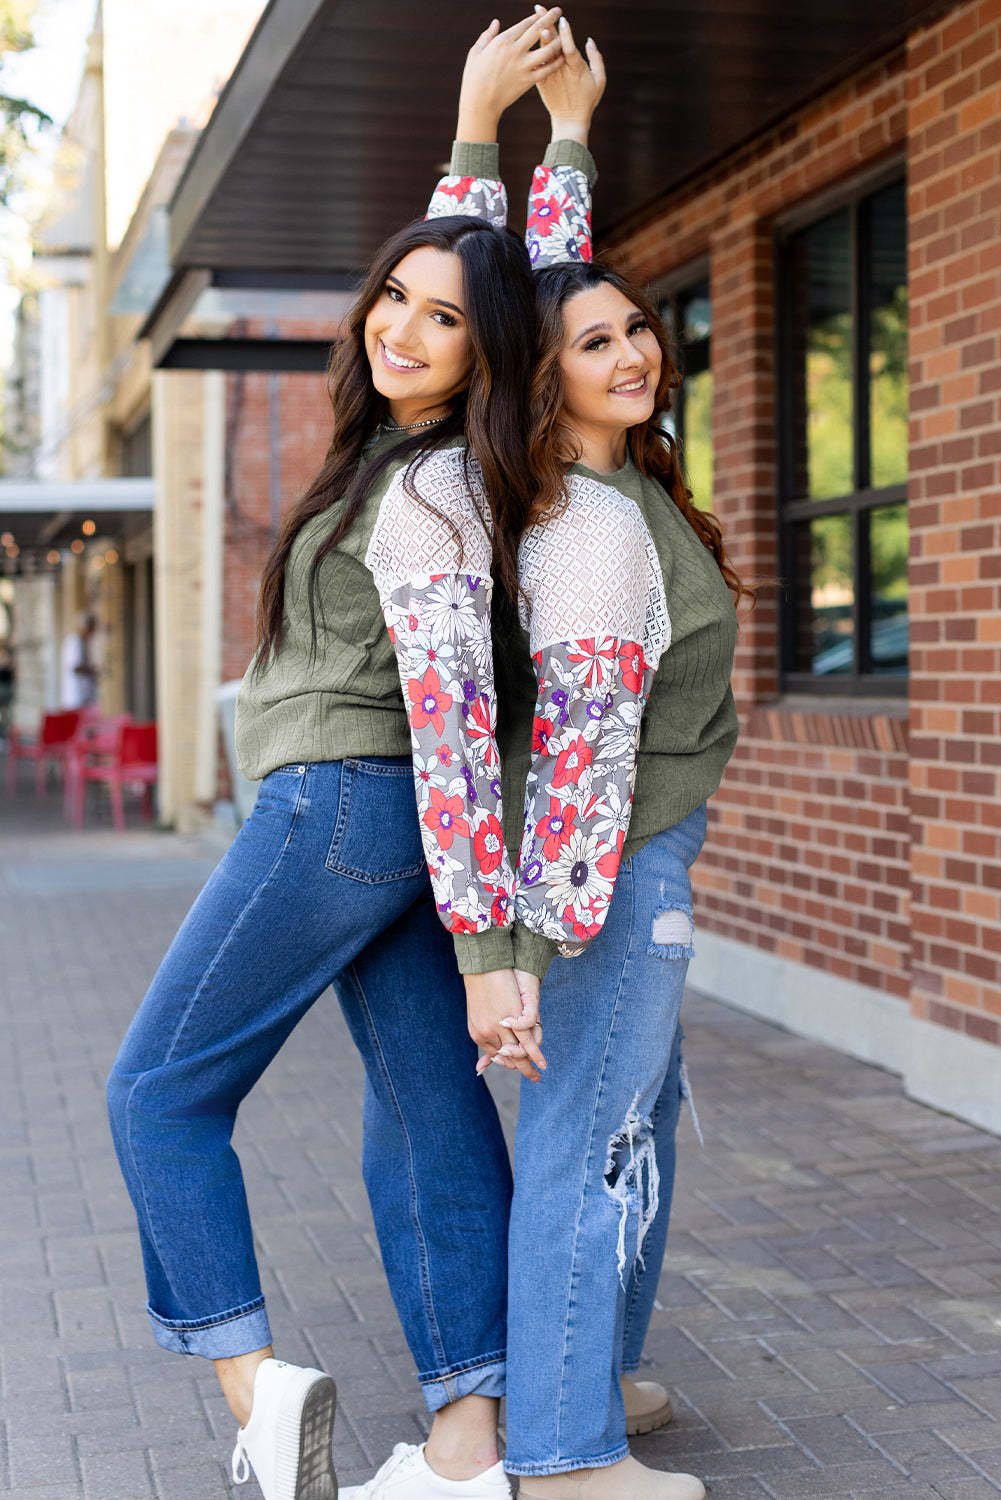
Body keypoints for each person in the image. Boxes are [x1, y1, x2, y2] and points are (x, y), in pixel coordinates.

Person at [105, 17, 572, 1500]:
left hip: (336, 814)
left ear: (487, 353)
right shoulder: (419, 456)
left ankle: (258, 1396)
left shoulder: (428, 493)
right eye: (393, 298)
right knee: (430, 1115)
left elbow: (452, 722)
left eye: (443, 322)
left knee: (157, 1093)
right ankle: (470, 1439)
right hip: (385, 828)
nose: (402, 328)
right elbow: (489, 275)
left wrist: (488, 946)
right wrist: (496, 131)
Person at [345, 17, 753, 1500]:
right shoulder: (576, 526)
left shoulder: (612, 480)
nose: (631, 349)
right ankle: (569, 1455)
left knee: (630, 1131)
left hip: (638, 855)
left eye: (639, 328)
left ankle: (588, 1376)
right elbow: (571, 764)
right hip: (607, 871)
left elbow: (547, 290)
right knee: (593, 1139)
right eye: (595, 345)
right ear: (540, 376)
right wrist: (512, 951)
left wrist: (562, 137)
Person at [60, 611, 98, 709]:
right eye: (92, 628)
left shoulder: (82, 642)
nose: (93, 632)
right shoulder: (76, 642)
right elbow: (76, 667)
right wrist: (93, 671)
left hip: (82, 696)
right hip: (77, 697)